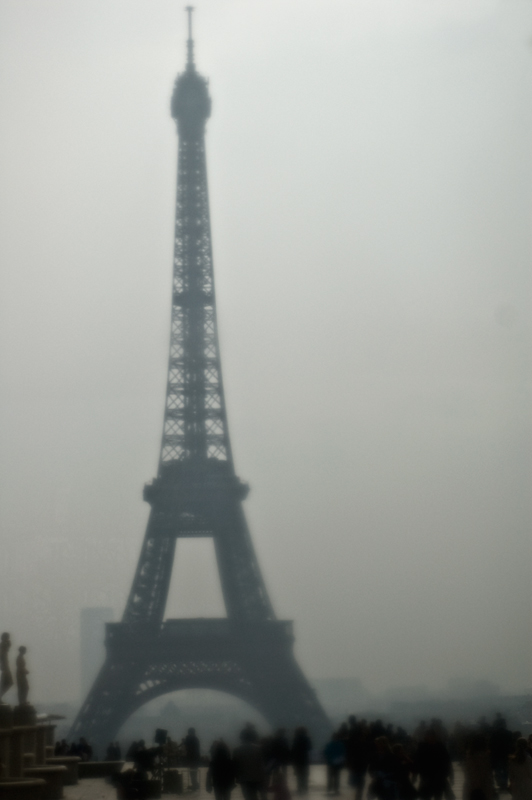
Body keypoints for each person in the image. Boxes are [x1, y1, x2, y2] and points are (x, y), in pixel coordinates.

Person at [415, 729, 453, 800]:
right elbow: (418, 761)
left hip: (437, 777)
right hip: (428, 777)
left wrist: (450, 774)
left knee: (436, 796)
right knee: (428, 796)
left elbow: (447, 761)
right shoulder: (423, 747)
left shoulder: (439, 746)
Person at [233, 726, 266, 800]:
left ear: (241, 738)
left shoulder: (237, 750)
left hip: (244, 779)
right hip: (258, 777)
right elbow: (261, 764)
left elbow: (235, 766)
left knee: (249, 797)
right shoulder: (258, 749)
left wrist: (236, 777)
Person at [462, 734, 494, 800]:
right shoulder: (486, 757)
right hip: (484, 788)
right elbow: (488, 774)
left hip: (471, 787)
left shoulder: (469, 756)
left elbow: (467, 772)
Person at [291, 727, 312, 795]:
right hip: (305, 758)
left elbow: (293, 749)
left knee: (299, 775)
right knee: (305, 775)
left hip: (297, 759)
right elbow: (310, 747)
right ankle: (305, 787)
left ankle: (299, 788)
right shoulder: (307, 738)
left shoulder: (295, 739)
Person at [324, 731, 345, 796]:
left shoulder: (329, 744)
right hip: (338, 763)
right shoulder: (341, 745)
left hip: (330, 763)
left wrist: (328, 759)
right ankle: (336, 789)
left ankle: (329, 788)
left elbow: (326, 753)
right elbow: (343, 753)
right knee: (337, 777)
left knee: (330, 776)